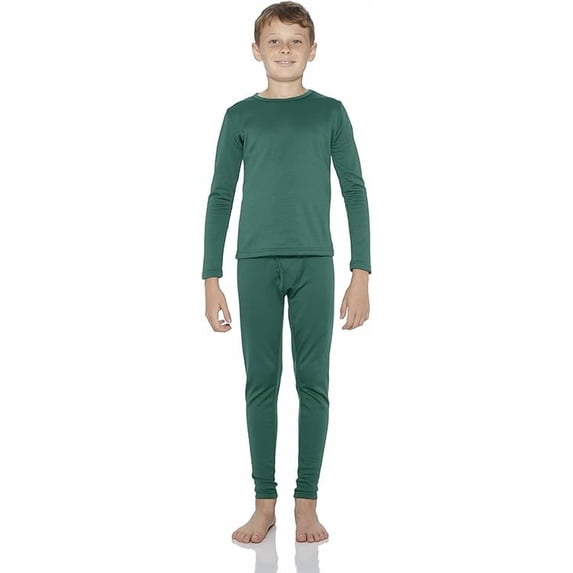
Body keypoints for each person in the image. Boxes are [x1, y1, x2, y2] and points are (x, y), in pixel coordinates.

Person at [202, 1, 371, 544]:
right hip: (254, 262)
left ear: (312, 51)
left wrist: (361, 273)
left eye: (295, 41)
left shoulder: (330, 113)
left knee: (313, 383)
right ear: (256, 50)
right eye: (273, 40)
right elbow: (221, 196)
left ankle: (306, 501)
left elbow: (354, 191)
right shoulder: (239, 117)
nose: (284, 49)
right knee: (261, 382)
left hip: (314, 262)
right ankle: (263, 502)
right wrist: (210, 278)